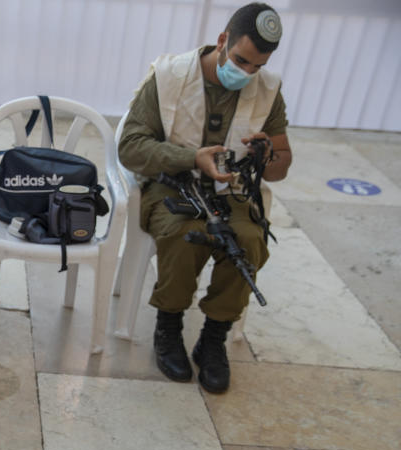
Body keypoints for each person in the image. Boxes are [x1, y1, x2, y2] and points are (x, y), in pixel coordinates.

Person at [118, 3, 292, 393]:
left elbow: (281, 167)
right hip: (171, 185)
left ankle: (213, 338)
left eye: (256, 67)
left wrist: (266, 156)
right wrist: (190, 158)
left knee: (248, 240)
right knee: (187, 233)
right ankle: (169, 326)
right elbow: (130, 146)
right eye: (240, 60)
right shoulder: (169, 75)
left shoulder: (268, 90)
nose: (246, 74)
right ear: (222, 40)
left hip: (229, 190)